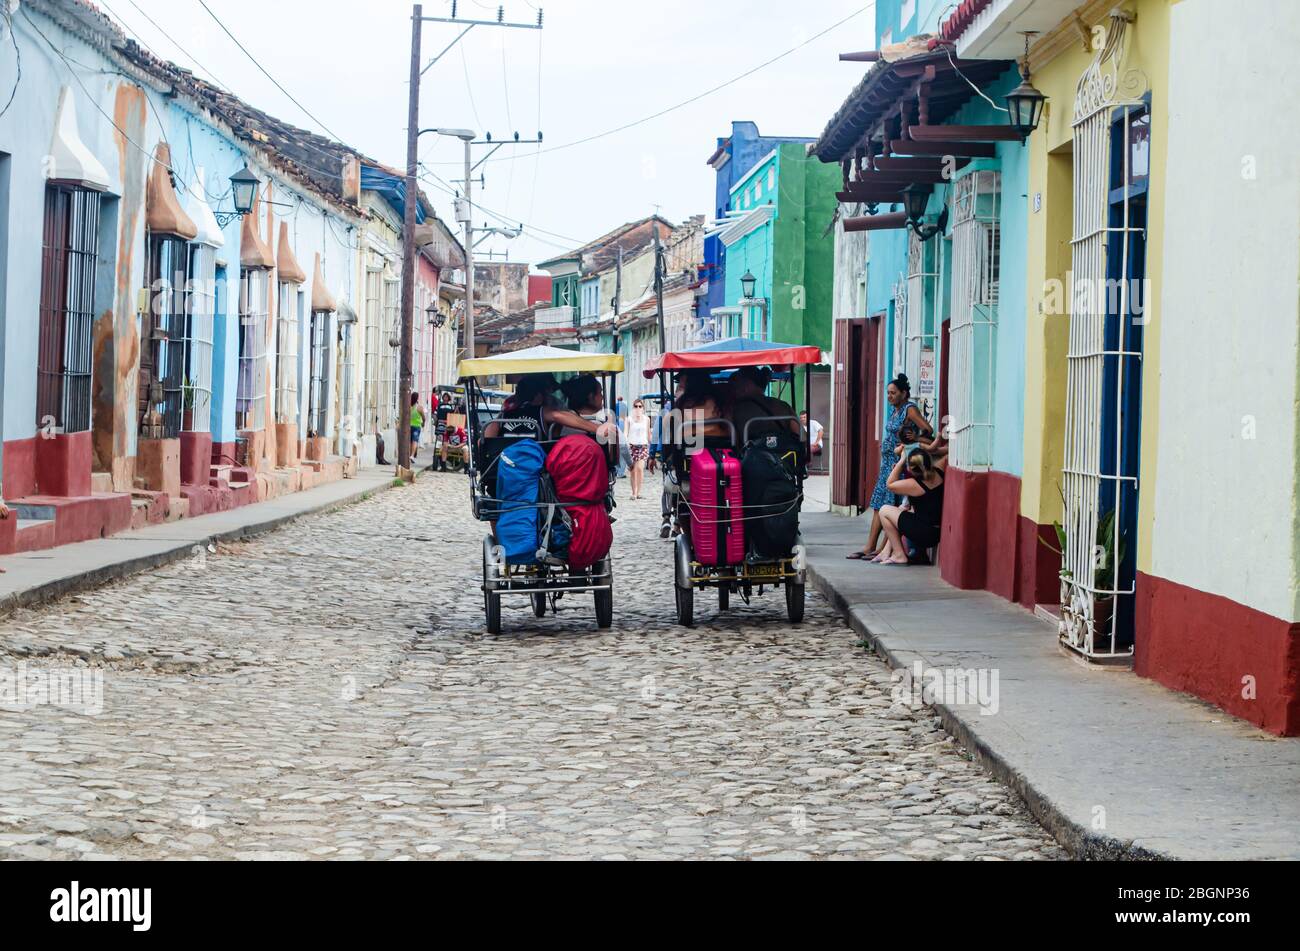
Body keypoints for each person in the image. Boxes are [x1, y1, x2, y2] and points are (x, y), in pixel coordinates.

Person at [849, 373, 933, 560]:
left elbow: (928, 430)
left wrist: (914, 440)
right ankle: (870, 546)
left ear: (904, 393)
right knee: (879, 503)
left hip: (900, 464)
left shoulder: (909, 410)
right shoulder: (895, 411)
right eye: (888, 393)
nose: (890, 396)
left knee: (890, 504)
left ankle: (881, 549)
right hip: (887, 463)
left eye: (893, 393)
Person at [485, 373, 616, 442]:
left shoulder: (502, 418)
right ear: (538, 395)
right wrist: (597, 428)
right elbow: (559, 416)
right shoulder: (541, 412)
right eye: (547, 393)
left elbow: (485, 443)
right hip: (537, 473)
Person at [872, 448, 946, 565]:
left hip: (925, 533)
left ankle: (899, 554)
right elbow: (947, 456)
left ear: (911, 468)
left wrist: (901, 461)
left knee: (884, 510)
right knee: (901, 510)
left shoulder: (916, 485)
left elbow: (890, 484)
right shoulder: (939, 472)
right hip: (935, 531)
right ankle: (886, 551)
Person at [728, 365, 799, 447]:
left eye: (736, 386)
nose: (734, 391)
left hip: (750, 458)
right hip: (784, 457)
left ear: (746, 385)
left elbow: (733, 442)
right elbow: (801, 436)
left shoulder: (735, 409)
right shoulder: (783, 406)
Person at [625, 399, 652, 500]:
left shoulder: (646, 419)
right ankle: (634, 492)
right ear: (633, 407)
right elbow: (626, 432)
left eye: (640, 406)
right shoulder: (629, 419)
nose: (638, 408)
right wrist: (626, 444)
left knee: (640, 469)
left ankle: (638, 492)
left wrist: (653, 446)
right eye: (636, 406)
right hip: (632, 446)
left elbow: (648, 434)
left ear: (643, 408)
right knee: (633, 470)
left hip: (643, 446)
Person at [409, 392, 424, 460]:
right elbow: (423, 417)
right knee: (415, 441)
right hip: (417, 426)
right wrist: (423, 423)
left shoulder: (409, 406)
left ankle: (409, 455)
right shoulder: (419, 407)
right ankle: (412, 455)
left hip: (409, 426)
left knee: (410, 441)